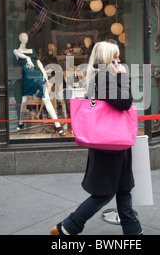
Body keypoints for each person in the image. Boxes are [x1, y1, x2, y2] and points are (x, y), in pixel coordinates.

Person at [50, 41, 143, 235]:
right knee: (106, 193)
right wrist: (124, 76)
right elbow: (125, 102)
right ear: (107, 60)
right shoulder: (103, 77)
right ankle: (69, 225)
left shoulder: (103, 77)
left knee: (123, 189)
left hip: (116, 144)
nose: (119, 61)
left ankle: (134, 233)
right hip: (110, 146)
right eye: (115, 57)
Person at [13, 33, 65, 136]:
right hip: (27, 78)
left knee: (47, 100)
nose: (26, 38)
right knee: (24, 101)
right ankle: (20, 122)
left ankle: (57, 125)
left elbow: (38, 62)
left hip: (37, 77)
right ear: (20, 38)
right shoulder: (16, 51)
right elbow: (20, 55)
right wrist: (27, 58)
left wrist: (44, 72)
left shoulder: (32, 51)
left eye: (27, 37)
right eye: (24, 36)